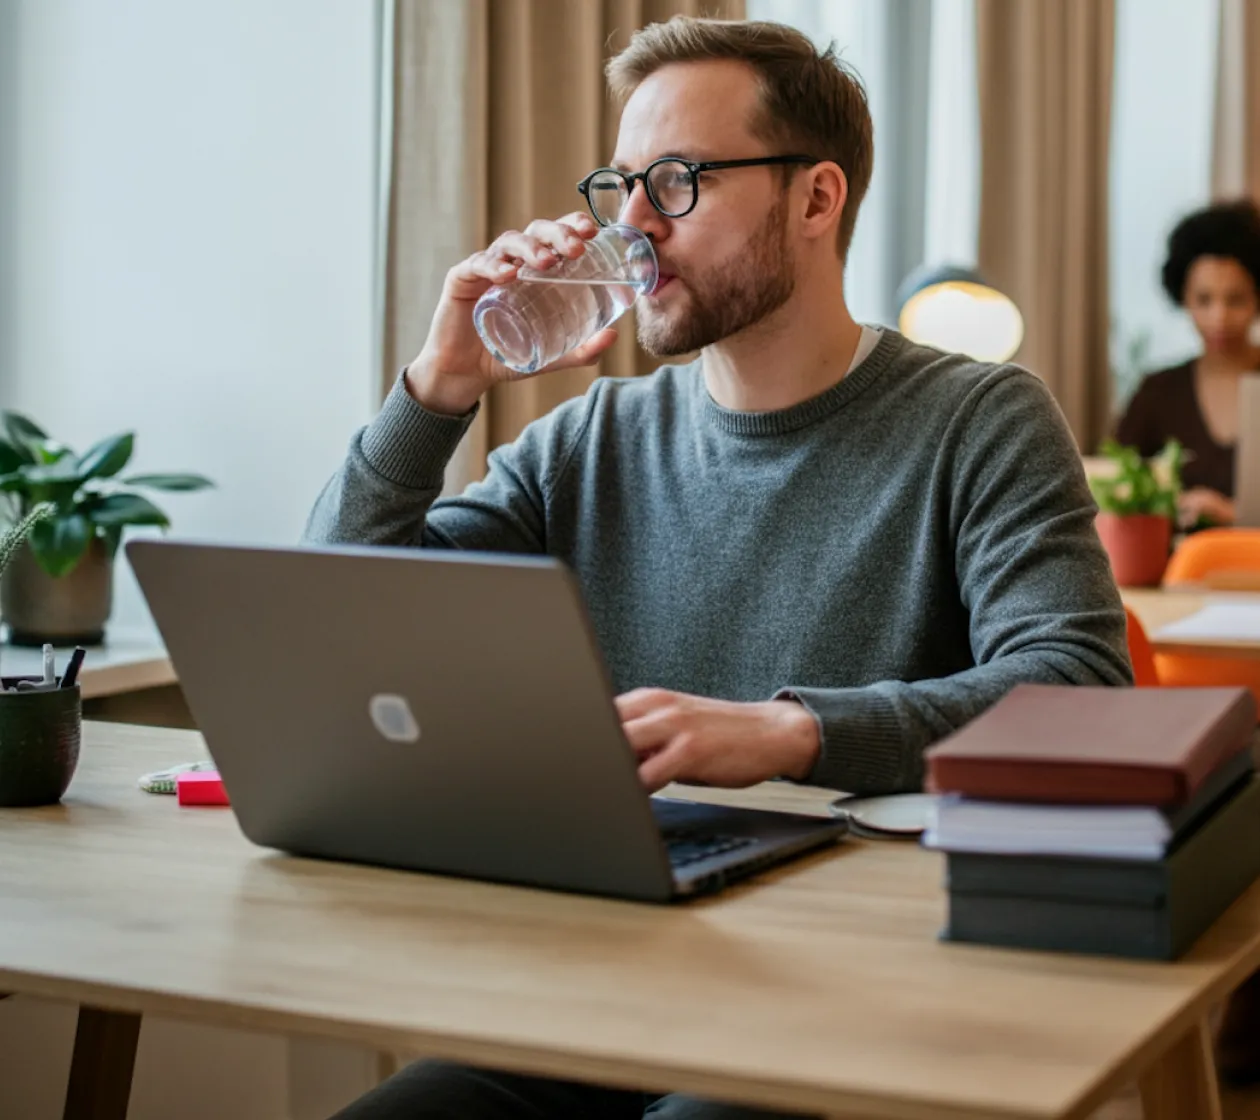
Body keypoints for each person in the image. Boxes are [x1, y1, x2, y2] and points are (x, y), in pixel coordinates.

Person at [306, 16, 1131, 1120]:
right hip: (602, 985)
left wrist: (795, 731)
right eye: (622, 187)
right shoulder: (586, 442)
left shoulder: (979, 418)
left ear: (817, 199)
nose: (633, 230)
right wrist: (436, 389)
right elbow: (339, 616)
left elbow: (1081, 690)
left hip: (857, 997)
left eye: (679, 183)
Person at [1114, 199, 1260, 529]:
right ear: (1184, 298)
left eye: (1235, 300)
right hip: (1173, 574)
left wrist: (1234, 514)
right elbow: (1115, 488)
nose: (1219, 318)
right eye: (1204, 300)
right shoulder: (1157, 393)